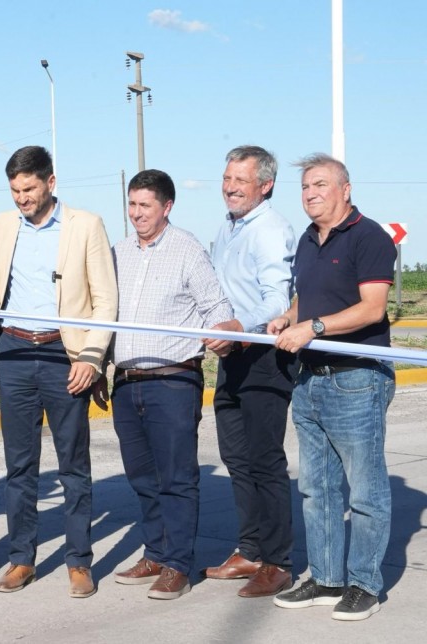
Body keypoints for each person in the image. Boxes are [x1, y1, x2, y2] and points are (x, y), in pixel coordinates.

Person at [0, 146, 117, 598]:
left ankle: (79, 562)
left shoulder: (86, 225)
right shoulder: (3, 225)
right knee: (19, 466)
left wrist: (91, 357)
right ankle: (22, 559)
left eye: (29, 188)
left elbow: (105, 299)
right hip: (13, 352)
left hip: (66, 355)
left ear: (50, 182)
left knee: (73, 466)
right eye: (15, 190)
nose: (22, 198)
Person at [269, 154, 396, 622]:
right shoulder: (308, 239)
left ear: (346, 189)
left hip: (356, 379)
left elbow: (372, 308)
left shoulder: (369, 236)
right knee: (317, 489)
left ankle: (364, 584)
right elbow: (308, 295)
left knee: (365, 492)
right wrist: (289, 317)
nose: (310, 194)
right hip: (310, 379)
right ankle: (325, 578)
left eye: (320, 184)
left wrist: (314, 327)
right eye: (305, 187)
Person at [104, 170, 233, 600]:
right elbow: (103, 313)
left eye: (145, 205)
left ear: (167, 207)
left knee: (177, 478)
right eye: (132, 204)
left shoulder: (187, 250)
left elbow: (216, 307)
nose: (136, 213)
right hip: (127, 383)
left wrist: (224, 333)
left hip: (173, 381)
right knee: (142, 476)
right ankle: (155, 553)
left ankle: (178, 564)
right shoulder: (118, 253)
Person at [202, 145, 299, 597]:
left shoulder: (270, 230)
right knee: (237, 460)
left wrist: (240, 326)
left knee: (264, 461)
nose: (230, 187)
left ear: (266, 185)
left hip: (264, 355)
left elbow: (277, 299)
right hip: (232, 355)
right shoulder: (228, 227)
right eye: (227, 178)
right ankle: (251, 550)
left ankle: (278, 562)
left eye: (240, 180)